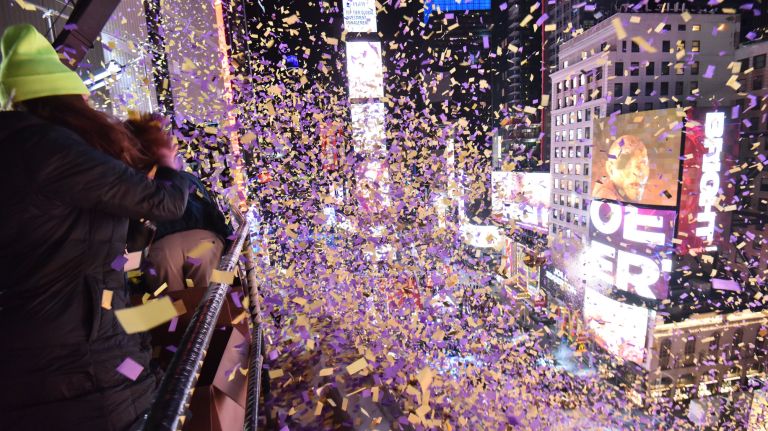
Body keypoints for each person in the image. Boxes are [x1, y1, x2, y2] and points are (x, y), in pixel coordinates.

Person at [0, 25, 190, 431]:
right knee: (175, 314)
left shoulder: (19, 150)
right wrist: (171, 166)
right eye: (83, 99)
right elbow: (167, 205)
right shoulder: (49, 150)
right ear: (67, 102)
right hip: (83, 374)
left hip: (37, 363)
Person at [125, 113, 233, 292]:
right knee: (214, 304)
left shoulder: (131, 183)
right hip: (205, 242)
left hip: (158, 249)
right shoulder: (185, 179)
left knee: (175, 311)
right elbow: (212, 213)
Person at [592, 134, 650, 203]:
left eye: (643, 162)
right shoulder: (606, 200)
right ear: (610, 169)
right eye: (626, 163)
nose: (637, 172)